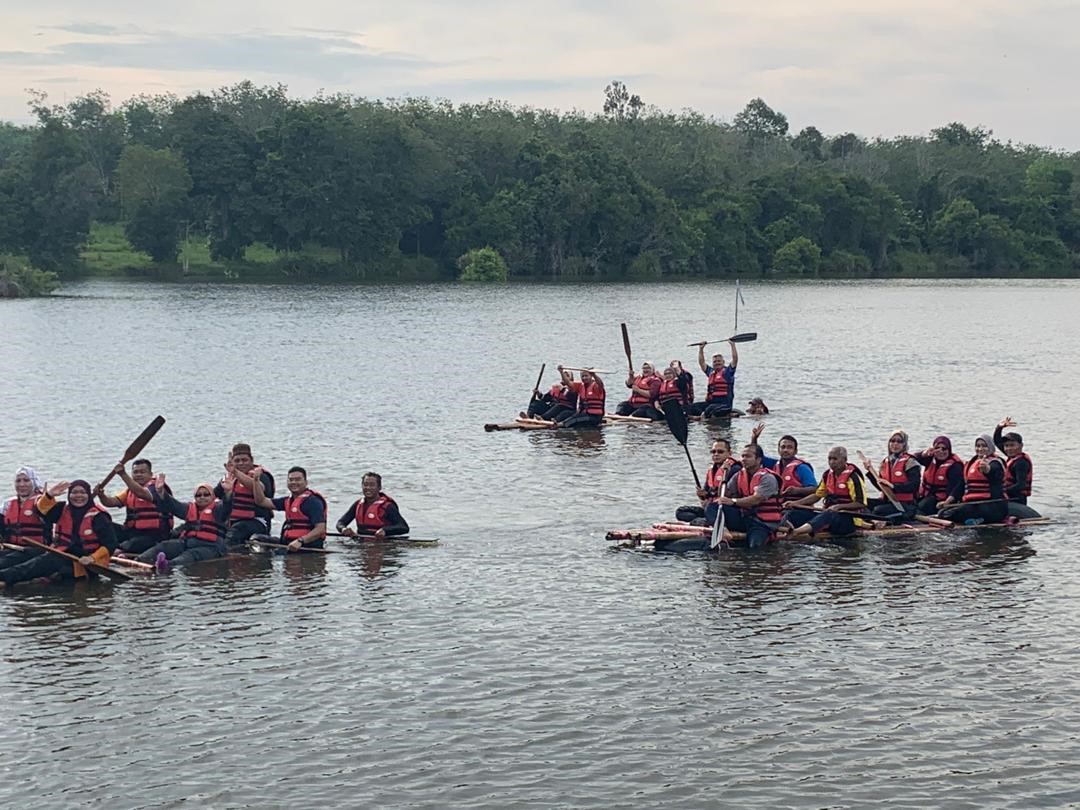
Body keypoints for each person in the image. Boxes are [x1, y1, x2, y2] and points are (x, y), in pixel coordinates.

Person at [1, 480, 117, 586]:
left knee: (44, 562)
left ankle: (4, 576)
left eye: (82, 492)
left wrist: (92, 558)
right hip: (62, 552)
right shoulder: (63, 509)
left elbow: (110, 544)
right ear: (69, 495)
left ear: (88, 494)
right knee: (29, 552)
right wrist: (49, 495)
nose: (78, 496)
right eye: (74, 493)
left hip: (83, 564)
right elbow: (41, 511)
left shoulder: (99, 517)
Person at [136, 475, 232, 570]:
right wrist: (161, 492)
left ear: (213, 497)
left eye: (206, 494)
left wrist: (228, 492)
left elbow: (227, 506)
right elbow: (172, 505)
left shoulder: (218, 508)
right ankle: (139, 559)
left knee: (189, 556)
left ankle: (167, 565)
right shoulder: (189, 508)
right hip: (187, 543)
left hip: (210, 547)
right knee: (164, 546)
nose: (202, 497)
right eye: (198, 495)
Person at [780, 447, 868, 540]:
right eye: (829, 459)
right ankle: (786, 529)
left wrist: (839, 506)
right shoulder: (827, 475)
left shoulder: (853, 477)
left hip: (849, 520)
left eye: (835, 459)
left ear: (844, 460)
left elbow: (861, 503)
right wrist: (795, 503)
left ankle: (796, 532)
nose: (832, 462)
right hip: (830, 515)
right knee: (792, 514)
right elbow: (817, 495)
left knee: (829, 514)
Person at [96, 458, 173, 555]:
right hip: (132, 532)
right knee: (105, 525)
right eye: (135, 472)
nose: (138, 475)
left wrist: (123, 474)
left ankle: (117, 550)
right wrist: (101, 495)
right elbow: (111, 502)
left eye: (142, 472)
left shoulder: (157, 488)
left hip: (155, 535)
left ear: (150, 474)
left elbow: (141, 493)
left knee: (137, 543)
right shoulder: (130, 491)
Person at [715, 444, 783, 549]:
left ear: (758, 459)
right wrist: (725, 475)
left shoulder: (768, 478)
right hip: (745, 518)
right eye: (742, 456)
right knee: (714, 506)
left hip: (762, 523)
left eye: (748, 456)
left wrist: (733, 501)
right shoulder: (738, 475)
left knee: (754, 547)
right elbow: (723, 495)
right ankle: (723, 529)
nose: (744, 459)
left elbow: (756, 500)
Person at [252, 466, 328, 551]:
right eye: (291, 480)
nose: (294, 482)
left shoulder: (313, 502)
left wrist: (300, 541)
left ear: (306, 482)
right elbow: (261, 501)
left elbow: (320, 529)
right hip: (288, 543)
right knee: (257, 538)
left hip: (306, 546)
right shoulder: (287, 500)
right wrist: (256, 480)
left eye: (298, 479)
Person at [215, 443, 275, 546]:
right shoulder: (229, 478)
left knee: (237, 530)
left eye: (244, 460)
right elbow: (214, 495)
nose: (241, 463)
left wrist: (236, 473)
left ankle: (227, 552)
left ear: (252, 461)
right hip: (233, 521)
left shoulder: (261, 476)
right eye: (237, 461)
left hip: (258, 521)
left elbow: (259, 488)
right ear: (232, 462)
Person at [939, 435, 1008, 524]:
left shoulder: (995, 462)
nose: (980, 449)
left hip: (993, 506)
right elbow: (961, 486)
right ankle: (976, 519)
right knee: (942, 513)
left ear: (990, 447)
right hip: (974, 504)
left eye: (984, 446)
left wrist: (987, 470)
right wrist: (947, 502)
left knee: (949, 515)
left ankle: (980, 520)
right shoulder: (971, 463)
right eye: (978, 446)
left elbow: (994, 471)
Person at [675, 439, 741, 525]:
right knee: (680, 512)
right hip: (710, 507)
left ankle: (705, 522)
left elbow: (732, 494)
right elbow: (707, 493)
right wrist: (703, 495)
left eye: (720, 452)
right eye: (713, 452)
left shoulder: (735, 469)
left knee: (710, 508)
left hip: (725, 509)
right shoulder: (711, 470)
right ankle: (704, 520)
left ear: (729, 453)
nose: (716, 454)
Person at [864, 430, 921, 521]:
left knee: (878, 511)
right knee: (864, 503)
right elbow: (881, 488)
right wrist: (870, 472)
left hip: (906, 505)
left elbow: (914, 486)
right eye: (892, 441)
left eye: (899, 441)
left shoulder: (910, 462)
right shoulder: (885, 462)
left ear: (904, 444)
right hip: (888, 501)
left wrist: (892, 486)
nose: (895, 444)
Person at [0, 467, 49, 571]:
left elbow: (49, 512)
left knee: (5, 562)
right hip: (10, 547)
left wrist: (49, 496)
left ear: (34, 482)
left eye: (26, 480)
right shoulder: (7, 504)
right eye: (18, 481)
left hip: (35, 550)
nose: (22, 484)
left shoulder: (41, 503)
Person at [750, 424, 817, 498]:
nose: (786, 450)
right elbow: (757, 456)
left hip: (796, 504)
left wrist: (797, 490)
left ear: (795, 451)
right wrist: (754, 439)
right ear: (778, 450)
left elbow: (814, 489)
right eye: (783, 447)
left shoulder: (802, 468)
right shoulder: (774, 464)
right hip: (778, 504)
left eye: (790, 447)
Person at [336, 472, 410, 539]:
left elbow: (404, 527)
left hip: (383, 544)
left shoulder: (387, 506)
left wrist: (385, 531)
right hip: (362, 543)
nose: (368, 488)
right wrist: (343, 529)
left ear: (379, 488)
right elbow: (340, 523)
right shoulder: (357, 504)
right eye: (365, 485)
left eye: (372, 485)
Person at [993, 416, 1038, 518]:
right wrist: (999, 427)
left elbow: (1020, 485)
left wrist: (1002, 492)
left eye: (1012, 445)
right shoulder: (1011, 455)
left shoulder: (1021, 463)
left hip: (1017, 498)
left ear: (1020, 446)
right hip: (1009, 496)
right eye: (1006, 446)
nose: (1008, 448)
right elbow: (997, 441)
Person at [913, 436, 965, 516]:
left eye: (944, 449)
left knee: (921, 507)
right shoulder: (929, 459)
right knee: (912, 505)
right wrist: (923, 454)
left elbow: (956, 488)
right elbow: (913, 458)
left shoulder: (955, 466)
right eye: (937, 448)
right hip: (925, 496)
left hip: (941, 500)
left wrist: (947, 502)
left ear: (949, 450)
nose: (941, 451)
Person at [689, 340, 738, 418]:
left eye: (719, 361)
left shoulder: (728, 372)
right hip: (711, 403)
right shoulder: (711, 372)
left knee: (710, 409)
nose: (717, 363)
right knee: (693, 407)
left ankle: (705, 419)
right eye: (715, 362)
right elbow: (702, 363)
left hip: (724, 405)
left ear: (723, 362)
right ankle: (697, 418)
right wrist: (701, 349)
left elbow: (735, 360)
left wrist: (732, 345)